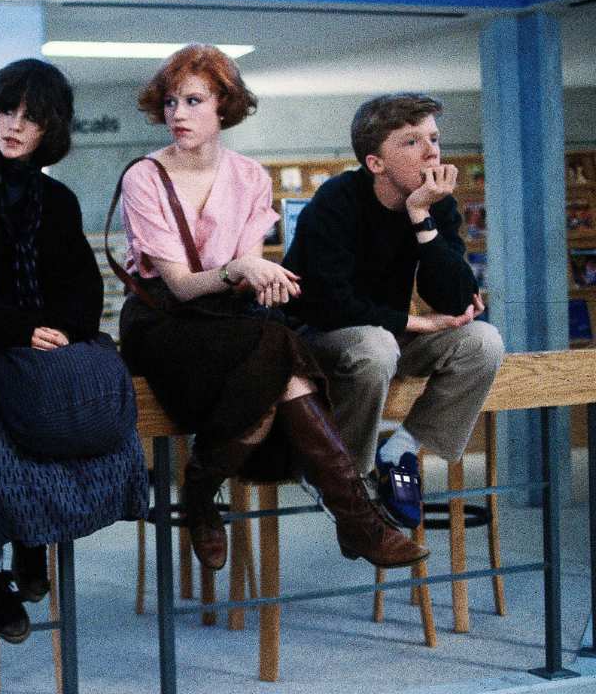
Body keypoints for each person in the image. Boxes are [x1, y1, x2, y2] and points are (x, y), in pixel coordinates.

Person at [117, 44, 427, 574]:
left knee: (276, 352)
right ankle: (354, 516)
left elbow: (244, 279)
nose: (178, 115)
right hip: (163, 319)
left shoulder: (250, 177)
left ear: (224, 107)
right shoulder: (144, 177)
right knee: (280, 351)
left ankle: (206, 491)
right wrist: (241, 271)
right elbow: (182, 285)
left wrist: (266, 284)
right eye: (170, 103)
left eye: (193, 101)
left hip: (227, 320)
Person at [0, 59, 148, 643]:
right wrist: (21, 329)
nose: (13, 125)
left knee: (92, 436)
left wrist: (62, 331)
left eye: (31, 118)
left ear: (52, 131)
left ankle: (33, 536)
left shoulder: (58, 200)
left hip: (38, 358)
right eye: (6, 110)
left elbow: (83, 286)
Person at [283, 93, 505, 528]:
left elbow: (457, 299)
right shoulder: (336, 201)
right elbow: (330, 302)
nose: (432, 151)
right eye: (411, 142)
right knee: (377, 345)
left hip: (385, 335)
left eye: (434, 138)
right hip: (319, 335)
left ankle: (400, 449)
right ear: (375, 163)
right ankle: (345, 475)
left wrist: (422, 216)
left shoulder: (434, 201)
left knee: (483, 341)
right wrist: (415, 322)